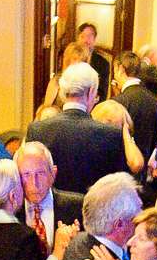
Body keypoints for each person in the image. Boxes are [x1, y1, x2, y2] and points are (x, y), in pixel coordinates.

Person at [29, 63, 133, 196]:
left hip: (51, 214)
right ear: (91, 92)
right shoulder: (112, 136)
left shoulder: (37, 130)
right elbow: (118, 189)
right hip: (93, 213)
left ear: (62, 92)